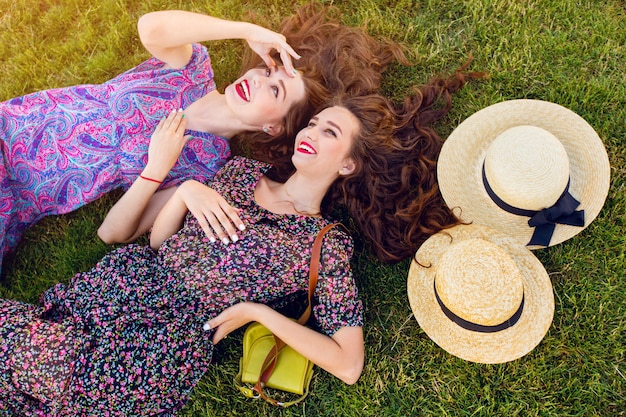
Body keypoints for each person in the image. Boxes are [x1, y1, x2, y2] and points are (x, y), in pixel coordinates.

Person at [0, 64, 483, 414]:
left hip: (155, 343)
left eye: (330, 131)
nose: (312, 130)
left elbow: (348, 364)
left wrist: (257, 313)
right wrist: (187, 192)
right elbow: (158, 246)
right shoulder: (238, 173)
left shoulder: (323, 244)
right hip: (112, 291)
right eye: (314, 121)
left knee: (35, 365)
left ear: (348, 164)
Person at [0, 4, 406, 272]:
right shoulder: (192, 69)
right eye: (267, 72)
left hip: (22, 198)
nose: (258, 81)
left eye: (276, 91)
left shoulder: (209, 166)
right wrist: (247, 30)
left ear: (274, 128)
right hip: (14, 127)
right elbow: (151, 26)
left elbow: (118, 233)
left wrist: (157, 169)